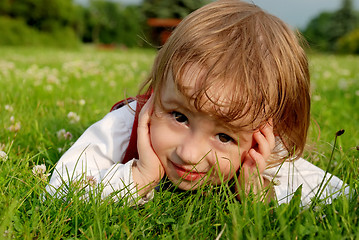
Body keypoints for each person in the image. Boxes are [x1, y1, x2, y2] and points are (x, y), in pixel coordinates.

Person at [46, 0, 347, 206]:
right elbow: (59, 189)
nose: (189, 154)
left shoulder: (261, 149)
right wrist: (138, 177)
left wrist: (261, 192)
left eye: (224, 136)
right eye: (179, 117)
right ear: (156, 91)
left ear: (263, 132)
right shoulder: (131, 121)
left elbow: (341, 199)